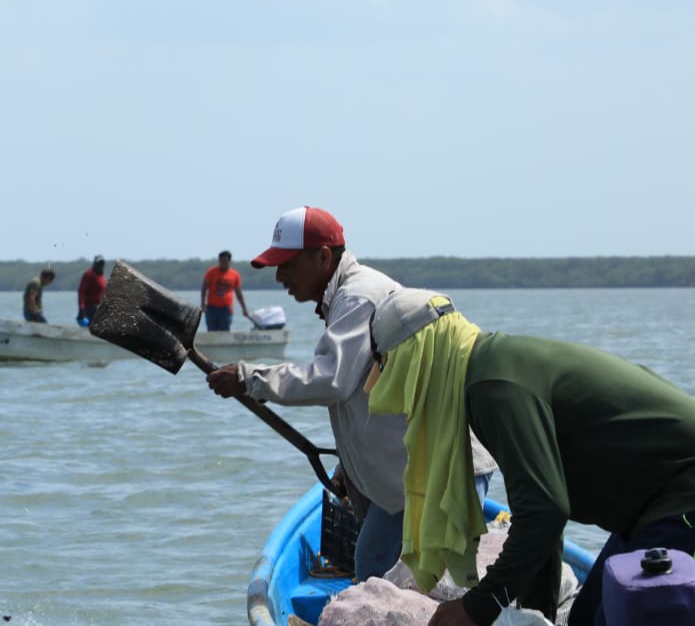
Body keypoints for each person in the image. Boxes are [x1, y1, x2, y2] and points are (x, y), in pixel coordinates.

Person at [363, 287, 695, 626]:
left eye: (385, 364)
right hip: (651, 512)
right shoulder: (484, 372)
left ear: (415, 357)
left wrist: (477, 605)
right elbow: (541, 512)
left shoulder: (494, 386)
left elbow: (544, 512)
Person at [205, 206, 496, 581]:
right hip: (410, 473)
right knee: (373, 564)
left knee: (432, 585)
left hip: (444, 468)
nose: (280, 276)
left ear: (323, 257)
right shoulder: (344, 298)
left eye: (287, 264)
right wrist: (351, 466)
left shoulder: (358, 298)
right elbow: (367, 395)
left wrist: (250, 378)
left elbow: (331, 380)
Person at [199, 250, 251, 332]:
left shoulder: (235, 275)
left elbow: (238, 293)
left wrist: (244, 308)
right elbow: (204, 287)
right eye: (221, 261)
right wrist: (203, 303)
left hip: (226, 309)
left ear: (230, 261)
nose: (223, 263)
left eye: (226, 261)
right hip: (212, 308)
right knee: (211, 331)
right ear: (219, 261)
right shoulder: (211, 272)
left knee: (224, 332)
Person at [77, 256, 107, 326]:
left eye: (102, 263)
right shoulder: (89, 274)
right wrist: (81, 308)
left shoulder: (101, 276)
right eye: (99, 263)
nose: (100, 265)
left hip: (98, 308)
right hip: (89, 308)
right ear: (95, 263)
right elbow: (81, 292)